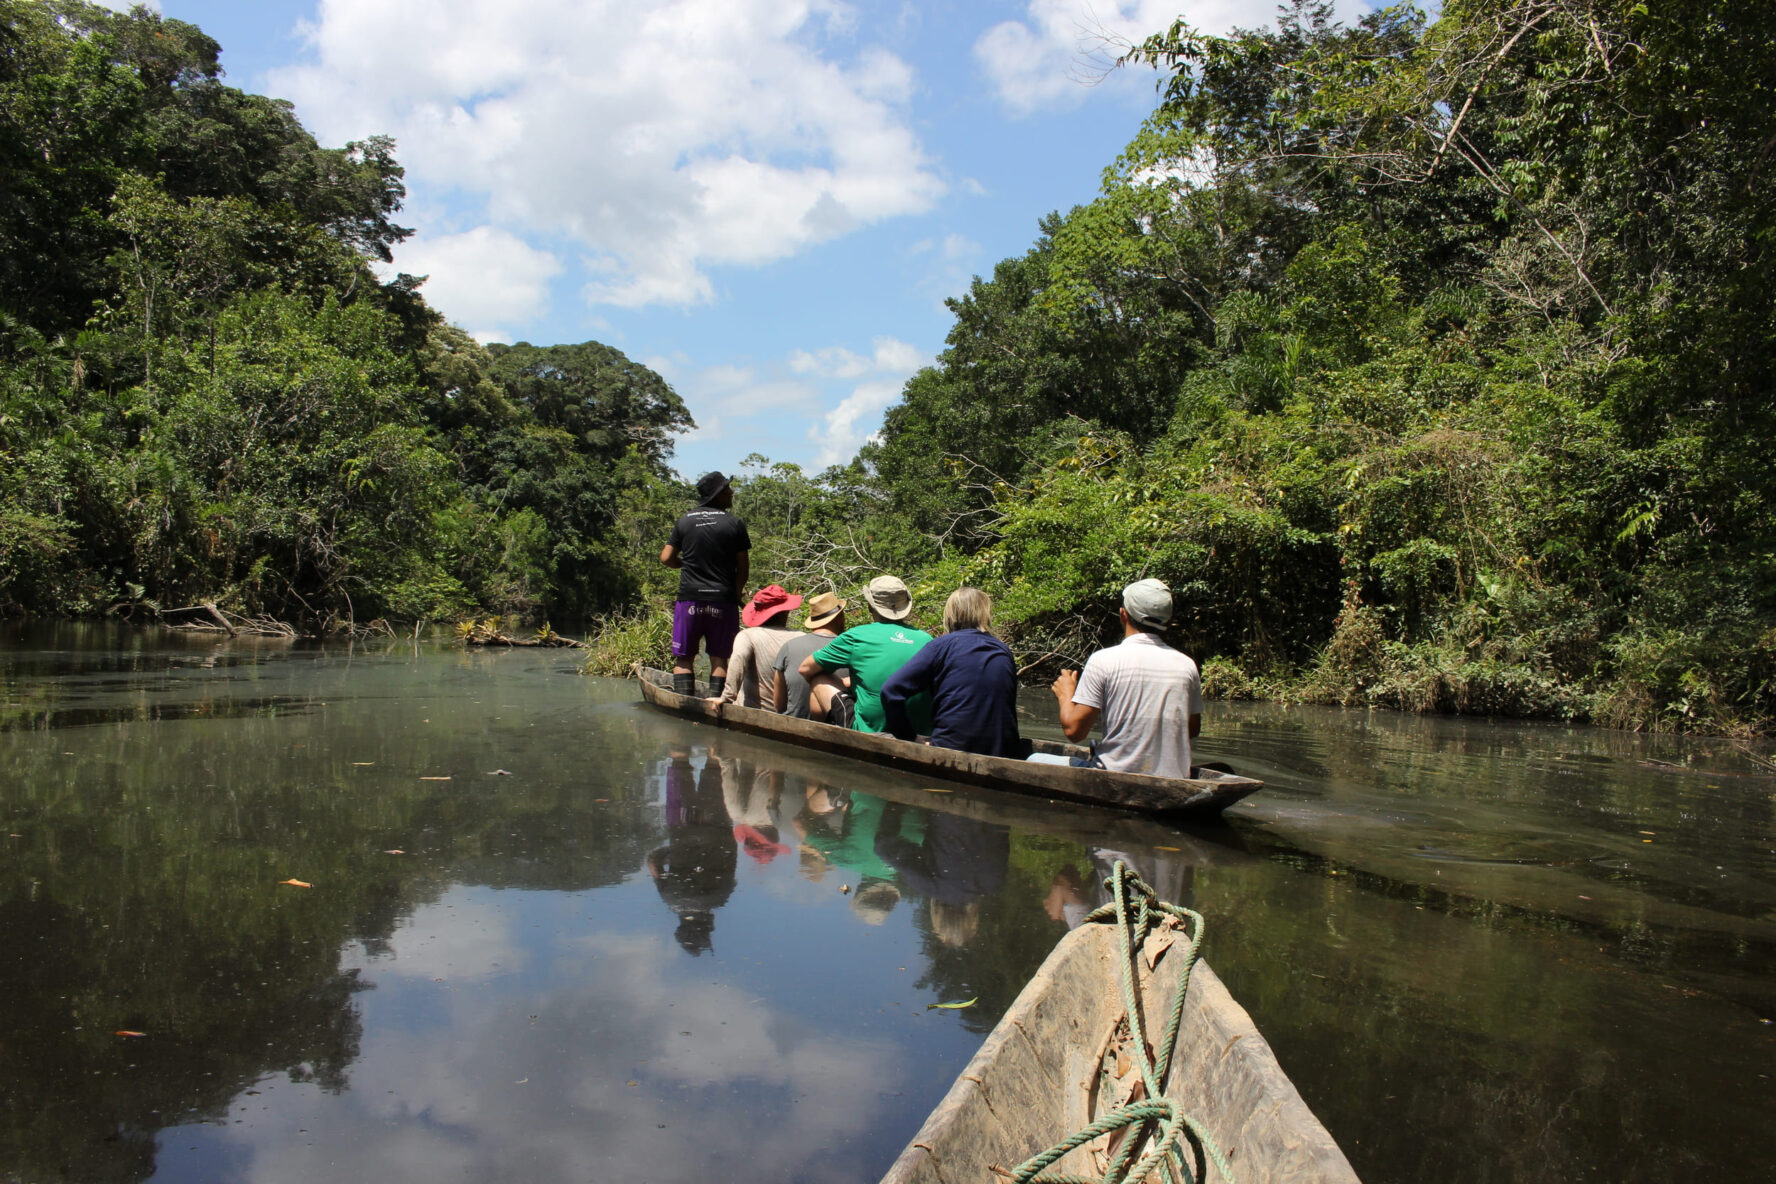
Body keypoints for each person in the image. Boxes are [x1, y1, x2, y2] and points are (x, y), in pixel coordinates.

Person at [1031, 578, 1203, 777]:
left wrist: (1066, 694)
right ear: (1167, 621)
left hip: (1113, 777)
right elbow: (1191, 730)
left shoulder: (1103, 661)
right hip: (1175, 778)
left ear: (1123, 615)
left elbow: (1074, 731)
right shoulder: (1187, 665)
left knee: (1033, 759)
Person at [879, 587, 1022, 757]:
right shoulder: (1004, 650)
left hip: (951, 749)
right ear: (985, 614)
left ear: (951, 614)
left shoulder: (941, 647)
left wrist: (908, 736)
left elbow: (891, 691)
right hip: (1004, 751)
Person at [798, 576, 933, 734]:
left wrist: (842, 682)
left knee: (818, 677)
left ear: (870, 606)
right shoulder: (927, 640)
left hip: (869, 732)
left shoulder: (858, 636)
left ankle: (823, 738)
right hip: (919, 734)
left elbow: (805, 668)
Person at [660, 471, 750, 699]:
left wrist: (684, 563)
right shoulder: (734, 523)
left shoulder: (685, 520)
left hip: (689, 598)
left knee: (684, 658)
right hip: (723, 600)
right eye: (727, 489)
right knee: (720, 659)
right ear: (717, 495)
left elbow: (666, 558)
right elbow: (743, 568)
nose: (731, 492)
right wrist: (736, 593)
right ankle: (716, 706)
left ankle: (686, 707)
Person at [716, 584, 802, 709]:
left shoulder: (748, 635)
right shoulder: (801, 636)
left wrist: (726, 697)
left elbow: (738, 660)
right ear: (785, 612)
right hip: (792, 712)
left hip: (754, 710)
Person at [772, 591, 850, 721]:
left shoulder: (789, 646)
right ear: (839, 617)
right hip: (836, 729)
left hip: (792, 726)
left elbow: (779, 704)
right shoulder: (850, 648)